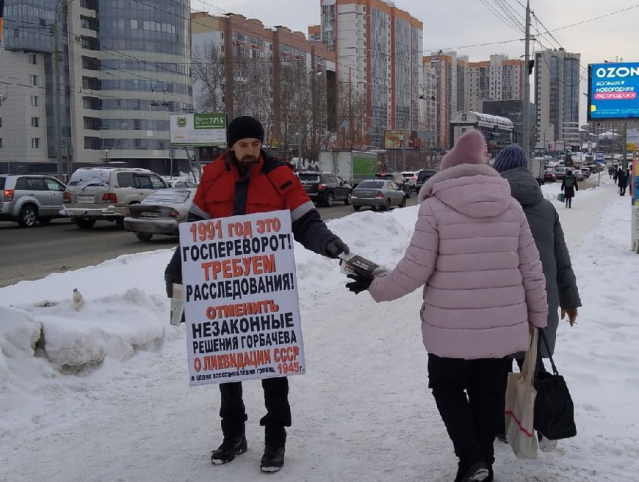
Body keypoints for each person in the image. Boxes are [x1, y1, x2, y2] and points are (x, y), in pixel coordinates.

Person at [345, 130, 548, 482]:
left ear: (447, 169)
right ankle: (482, 462)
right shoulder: (512, 206)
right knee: (488, 394)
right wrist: (538, 318)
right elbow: (532, 269)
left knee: (446, 388)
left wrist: (376, 287)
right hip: (501, 331)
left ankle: (472, 460)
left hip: (448, 334)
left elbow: (414, 270)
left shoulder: (435, 207)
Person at [163, 115, 349, 473]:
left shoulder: (280, 176)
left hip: (265, 290)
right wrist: (177, 270)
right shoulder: (213, 175)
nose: (250, 151)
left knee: (273, 366)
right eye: (244, 145)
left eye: (256, 144)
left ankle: (275, 440)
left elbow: (306, 222)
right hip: (222, 290)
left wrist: (328, 243)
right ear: (231, 146)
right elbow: (196, 229)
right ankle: (233, 435)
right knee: (226, 366)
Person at [493, 144, 582, 449]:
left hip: (497, 303)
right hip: (537, 303)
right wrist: (570, 301)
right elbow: (561, 261)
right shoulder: (546, 209)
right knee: (531, 363)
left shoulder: (490, 206)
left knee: (496, 365)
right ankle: (542, 418)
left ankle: (501, 425)